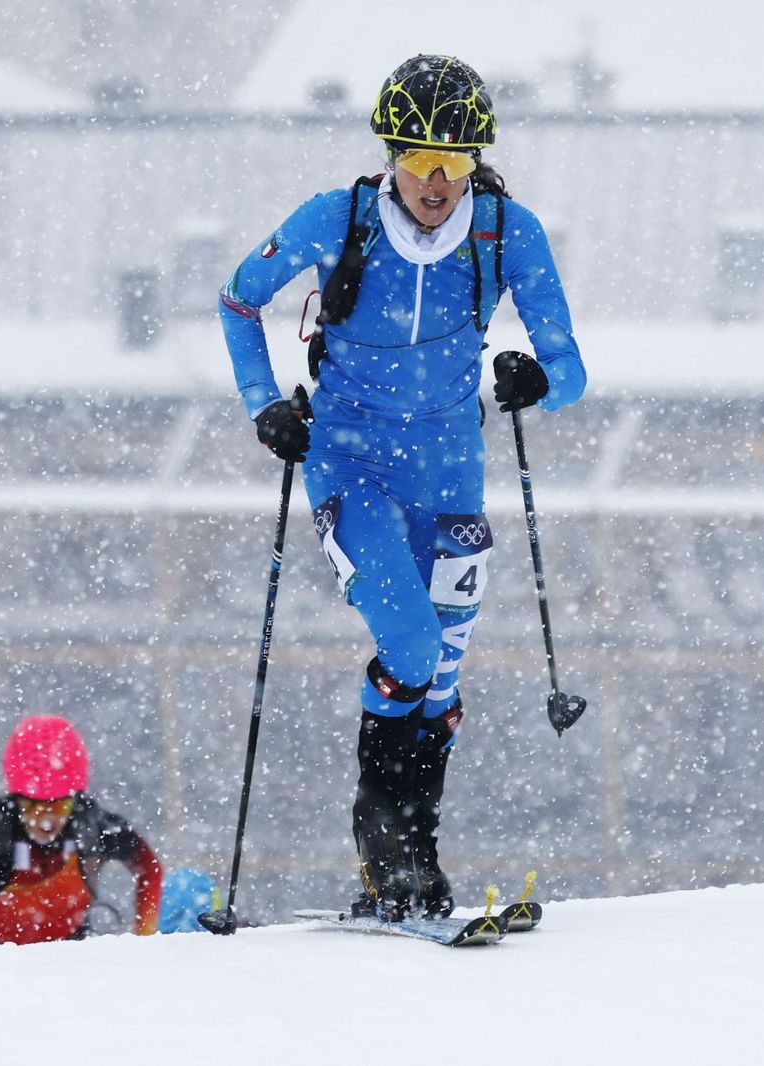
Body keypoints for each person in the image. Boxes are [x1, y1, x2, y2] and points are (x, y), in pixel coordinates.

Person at [218, 55, 586, 922]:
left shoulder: (505, 232)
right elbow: (239, 300)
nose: (435, 184)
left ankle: (416, 854)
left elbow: (568, 364)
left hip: (452, 476)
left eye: (454, 165)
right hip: (352, 465)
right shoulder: (338, 219)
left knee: (443, 680)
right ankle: (382, 845)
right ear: (390, 156)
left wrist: (541, 379)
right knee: (412, 645)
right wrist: (265, 405)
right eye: (419, 163)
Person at [0, 715, 161, 949]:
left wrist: (143, 941)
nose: (46, 821)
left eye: (60, 806)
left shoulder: (92, 823)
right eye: (33, 807)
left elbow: (150, 870)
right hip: (0, 971)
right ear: (16, 798)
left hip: (76, 963)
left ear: (74, 800)